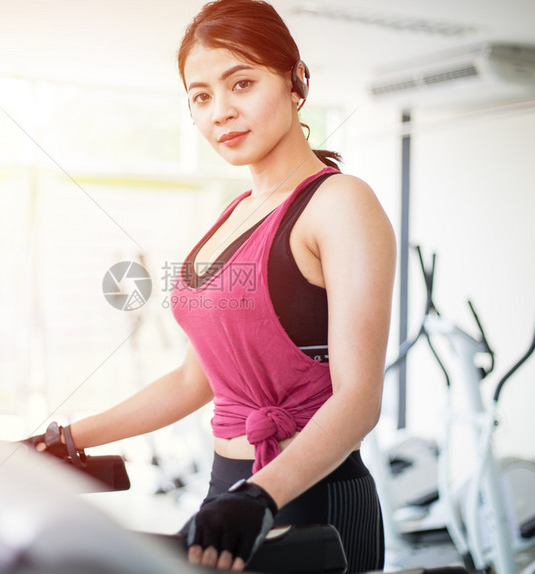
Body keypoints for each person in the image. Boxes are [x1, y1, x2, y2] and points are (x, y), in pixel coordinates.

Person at [26, 0, 396, 571]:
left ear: (296, 82)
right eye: (201, 96)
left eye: (241, 83)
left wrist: (261, 494)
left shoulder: (340, 204)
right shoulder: (234, 214)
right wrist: (66, 438)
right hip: (229, 493)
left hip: (310, 500)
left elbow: (359, 399)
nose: (221, 111)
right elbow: (192, 381)